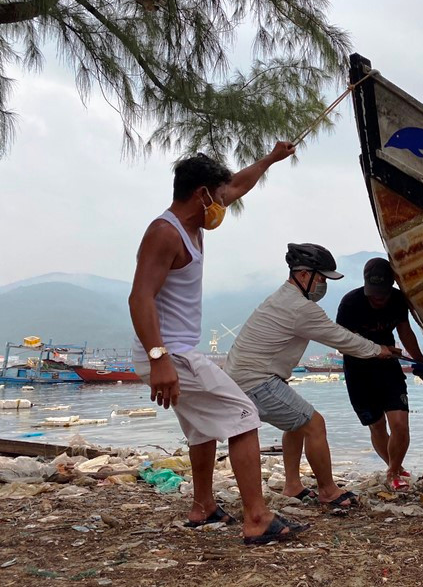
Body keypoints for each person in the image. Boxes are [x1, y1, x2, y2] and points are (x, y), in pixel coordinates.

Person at [129, 143, 308, 544]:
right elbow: (139, 297)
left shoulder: (194, 223)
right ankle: (257, 518)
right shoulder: (164, 233)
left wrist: (271, 159)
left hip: (175, 351)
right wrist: (159, 360)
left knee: (202, 429)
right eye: (217, 196)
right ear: (200, 194)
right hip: (167, 352)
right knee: (244, 414)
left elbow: (238, 185)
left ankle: (203, 507)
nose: (223, 203)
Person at [225, 244, 400, 507]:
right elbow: (340, 338)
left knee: (297, 422)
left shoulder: (282, 298)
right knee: (314, 424)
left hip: (247, 378)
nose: (322, 284)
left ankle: (293, 486)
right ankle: (328, 490)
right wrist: (379, 350)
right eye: (321, 278)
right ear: (303, 275)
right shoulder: (300, 308)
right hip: (256, 382)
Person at [336, 258, 423, 490]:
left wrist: (421, 363)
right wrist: (377, 350)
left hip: (389, 370)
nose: (378, 298)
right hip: (358, 373)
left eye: (383, 293)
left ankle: (393, 471)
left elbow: (405, 332)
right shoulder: (350, 303)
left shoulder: (397, 301)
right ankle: (394, 469)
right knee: (377, 426)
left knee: (400, 424)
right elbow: (342, 343)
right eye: (374, 293)